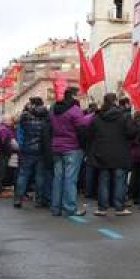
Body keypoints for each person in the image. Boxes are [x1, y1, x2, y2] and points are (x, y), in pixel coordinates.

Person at [88, 93, 136, 216]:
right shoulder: (124, 116)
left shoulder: (97, 117)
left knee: (103, 180)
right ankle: (119, 207)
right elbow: (131, 133)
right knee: (120, 180)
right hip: (120, 152)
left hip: (102, 152)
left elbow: (91, 133)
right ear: (115, 101)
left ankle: (102, 207)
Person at [49, 87, 93, 217]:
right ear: (74, 96)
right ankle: (69, 208)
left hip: (57, 147)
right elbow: (81, 130)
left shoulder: (53, 110)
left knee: (58, 178)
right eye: (80, 95)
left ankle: (55, 208)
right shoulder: (75, 111)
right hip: (72, 148)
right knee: (70, 179)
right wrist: (84, 147)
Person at [14, 98, 51, 208]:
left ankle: (18, 199)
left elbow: (20, 130)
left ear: (33, 104)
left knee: (23, 174)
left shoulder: (25, 117)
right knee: (40, 176)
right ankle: (39, 200)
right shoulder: (45, 116)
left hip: (27, 149)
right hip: (41, 150)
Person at [0, 116, 17, 197]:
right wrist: (9, 151)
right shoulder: (4, 129)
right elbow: (4, 142)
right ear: (6, 121)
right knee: (0, 172)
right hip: (2, 154)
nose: (12, 122)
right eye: (10, 120)